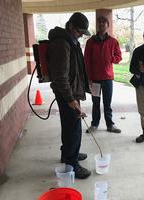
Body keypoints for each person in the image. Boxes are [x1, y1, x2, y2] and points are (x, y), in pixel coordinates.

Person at [47, 12, 91, 179]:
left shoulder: (71, 42)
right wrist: (72, 100)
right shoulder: (62, 44)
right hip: (67, 94)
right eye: (79, 31)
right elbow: (60, 77)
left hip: (71, 92)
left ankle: (68, 154)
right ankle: (72, 165)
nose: (80, 35)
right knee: (74, 130)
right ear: (71, 26)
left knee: (70, 126)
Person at [84, 16, 122, 134]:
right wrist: (88, 77)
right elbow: (86, 61)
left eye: (103, 22)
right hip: (94, 79)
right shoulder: (90, 42)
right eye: (99, 23)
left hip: (107, 78)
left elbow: (119, 56)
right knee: (95, 103)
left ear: (107, 25)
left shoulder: (113, 41)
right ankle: (94, 124)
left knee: (107, 103)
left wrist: (112, 58)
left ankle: (110, 124)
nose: (101, 24)